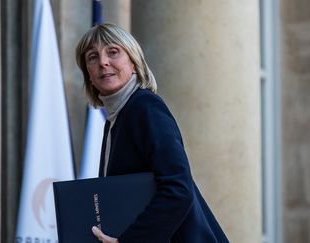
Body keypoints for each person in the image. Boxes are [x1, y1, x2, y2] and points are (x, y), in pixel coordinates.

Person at [75, 23, 229, 243]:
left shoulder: (144, 107)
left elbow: (178, 189)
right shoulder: (117, 117)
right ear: (88, 75)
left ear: (134, 63)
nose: (103, 62)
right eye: (92, 57)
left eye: (113, 52)